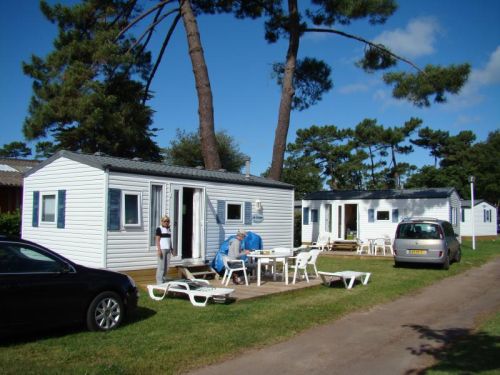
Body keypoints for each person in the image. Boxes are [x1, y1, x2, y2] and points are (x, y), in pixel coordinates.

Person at [156, 215, 173, 284]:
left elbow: (169, 240)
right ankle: (159, 282)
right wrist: (159, 250)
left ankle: (163, 279)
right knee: (161, 266)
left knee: (166, 267)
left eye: (167, 221)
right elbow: (157, 240)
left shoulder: (169, 229)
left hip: (168, 249)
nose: (166, 222)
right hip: (162, 249)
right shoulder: (159, 229)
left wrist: (172, 249)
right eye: (165, 221)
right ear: (162, 222)